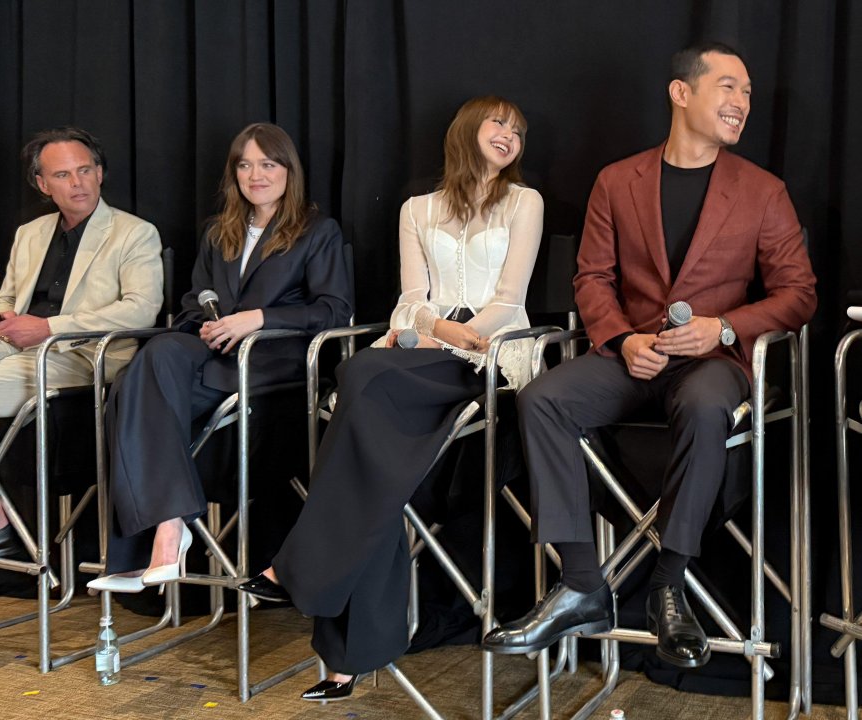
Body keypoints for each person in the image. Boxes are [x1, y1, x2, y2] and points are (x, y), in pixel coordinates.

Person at [482, 43, 816, 669]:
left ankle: (669, 582)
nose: (742, 102)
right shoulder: (617, 179)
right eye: (728, 87)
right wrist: (622, 339)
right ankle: (581, 582)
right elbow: (591, 279)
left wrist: (722, 329)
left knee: (705, 405)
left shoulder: (763, 191)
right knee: (541, 399)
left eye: (747, 92)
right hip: (631, 354)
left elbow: (799, 294)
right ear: (681, 93)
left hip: (715, 362)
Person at [239, 96, 544, 701]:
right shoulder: (416, 209)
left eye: (518, 129)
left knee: (361, 382)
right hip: (423, 352)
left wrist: (459, 335)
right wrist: (434, 327)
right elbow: (409, 298)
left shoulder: (523, 201)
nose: (510, 135)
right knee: (370, 450)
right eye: (498, 123)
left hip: (491, 361)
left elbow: (511, 299)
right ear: (466, 130)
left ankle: (305, 581)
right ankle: (344, 651)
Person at [86, 123, 352, 592]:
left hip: (274, 363)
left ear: (288, 170)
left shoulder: (316, 231)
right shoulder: (218, 232)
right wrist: (205, 323)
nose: (256, 175)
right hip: (212, 356)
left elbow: (335, 309)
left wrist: (259, 319)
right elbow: (193, 302)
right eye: (245, 165)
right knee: (152, 360)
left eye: (268, 164)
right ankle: (169, 529)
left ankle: (144, 547)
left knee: (134, 385)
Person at [0, 127, 164, 573]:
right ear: (43, 184)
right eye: (63, 174)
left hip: (84, 359)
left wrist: (48, 327)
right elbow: (9, 296)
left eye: (85, 170)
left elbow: (141, 311)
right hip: (17, 353)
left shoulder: (134, 233)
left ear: (100, 174)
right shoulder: (30, 233)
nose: (77, 182)